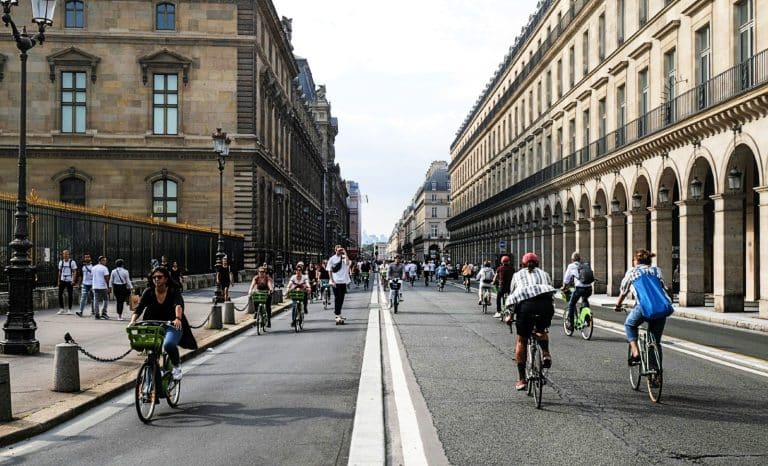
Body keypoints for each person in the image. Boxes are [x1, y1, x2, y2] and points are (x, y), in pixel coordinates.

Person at [129, 266, 197, 381]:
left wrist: (177, 318)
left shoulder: (173, 291)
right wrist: (132, 321)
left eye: (159, 277)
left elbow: (178, 305)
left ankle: (176, 366)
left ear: (166, 279)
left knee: (168, 344)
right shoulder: (148, 291)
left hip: (172, 324)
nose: (156, 279)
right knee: (150, 348)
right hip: (153, 324)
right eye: (154, 277)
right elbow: (139, 308)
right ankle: (155, 369)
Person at [614, 249, 669, 380]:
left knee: (629, 324)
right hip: (661, 308)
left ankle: (635, 351)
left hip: (643, 307)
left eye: (633, 259)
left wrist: (618, 305)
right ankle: (656, 373)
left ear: (636, 260)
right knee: (656, 341)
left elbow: (624, 290)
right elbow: (663, 287)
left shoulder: (632, 272)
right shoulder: (657, 270)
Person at [506, 252, 556, 391]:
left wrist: (510, 315)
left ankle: (522, 379)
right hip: (545, 306)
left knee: (522, 340)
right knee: (541, 330)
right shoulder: (544, 274)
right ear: (538, 263)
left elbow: (514, 296)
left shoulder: (517, 275)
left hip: (526, 307)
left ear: (522, 264)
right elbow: (550, 291)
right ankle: (545, 353)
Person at [562, 252, 592, 331]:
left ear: (572, 259)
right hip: (589, 288)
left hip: (579, 288)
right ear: (579, 259)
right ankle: (587, 319)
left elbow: (566, 279)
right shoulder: (585, 265)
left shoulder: (571, 266)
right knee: (585, 299)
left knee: (571, 304)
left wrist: (564, 287)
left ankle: (571, 325)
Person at [326, 245, 351, 324]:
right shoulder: (332, 259)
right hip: (336, 281)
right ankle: (337, 314)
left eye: (341, 250)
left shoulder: (343, 257)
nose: (340, 251)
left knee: (342, 298)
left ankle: (338, 313)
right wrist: (332, 281)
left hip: (343, 281)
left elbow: (347, 262)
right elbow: (329, 270)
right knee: (337, 297)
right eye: (338, 250)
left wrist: (345, 252)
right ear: (335, 250)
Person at [57, 250, 77, 315]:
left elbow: (74, 271)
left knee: (70, 295)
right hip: (62, 280)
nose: (66, 255)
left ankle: (69, 309)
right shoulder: (61, 262)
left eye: (67, 254)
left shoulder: (72, 262)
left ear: (69, 255)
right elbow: (59, 272)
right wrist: (58, 281)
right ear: (62, 255)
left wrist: (73, 280)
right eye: (64, 254)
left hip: (69, 280)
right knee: (60, 294)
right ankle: (61, 308)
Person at [76, 253, 94, 317]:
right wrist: (79, 284)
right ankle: (81, 311)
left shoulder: (93, 266)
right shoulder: (82, 266)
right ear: (84, 258)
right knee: (83, 298)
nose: (87, 258)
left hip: (92, 284)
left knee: (93, 298)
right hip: (84, 284)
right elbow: (80, 275)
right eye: (86, 257)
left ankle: (93, 311)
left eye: (88, 257)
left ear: (90, 258)